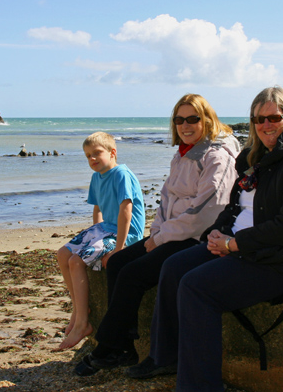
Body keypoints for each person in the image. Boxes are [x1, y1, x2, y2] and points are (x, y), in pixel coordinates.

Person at [126, 86, 283, 391]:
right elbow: (235, 206)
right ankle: (166, 357)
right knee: (174, 267)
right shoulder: (254, 157)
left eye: (274, 117)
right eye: (259, 119)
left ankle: (201, 386)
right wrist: (217, 233)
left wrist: (234, 244)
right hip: (243, 244)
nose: (266, 125)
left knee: (197, 287)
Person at [73, 94, 240, 376]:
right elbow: (165, 200)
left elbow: (205, 212)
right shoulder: (183, 153)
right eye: (179, 120)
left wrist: (159, 240)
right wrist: (157, 231)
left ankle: (107, 347)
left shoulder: (218, 156)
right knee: (116, 263)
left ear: (207, 120)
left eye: (192, 119)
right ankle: (123, 348)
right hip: (171, 233)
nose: (185, 125)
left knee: (132, 275)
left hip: (197, 237)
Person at [56, 131, 145, 350]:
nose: (92, 159)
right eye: (87, 156)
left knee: (77, 261)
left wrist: (120, 248)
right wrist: (93, 233)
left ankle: (83, 324)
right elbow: (98, 208)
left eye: (96, 153)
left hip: (125, 233)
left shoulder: (121, 174)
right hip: (104, 229)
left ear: (112, 152)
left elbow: (126, 210)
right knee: (63, 254)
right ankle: (78, 309)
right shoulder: (97, 176)